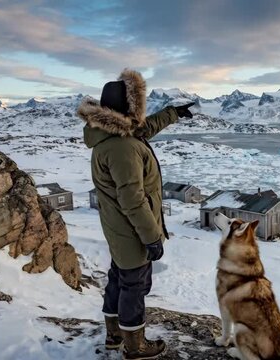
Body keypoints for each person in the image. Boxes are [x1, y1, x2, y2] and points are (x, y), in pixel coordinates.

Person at [77, 69, 193, 359]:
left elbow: (143, 129)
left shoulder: (111, 135)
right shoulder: (123, 148)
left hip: (117, 228)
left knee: (118, 277)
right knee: (134, 286)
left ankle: (115, 335)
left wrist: (172, 113)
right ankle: (135, 346)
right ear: (128, 108)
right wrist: (152, 236)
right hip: (132, 231)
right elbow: (133, 200)